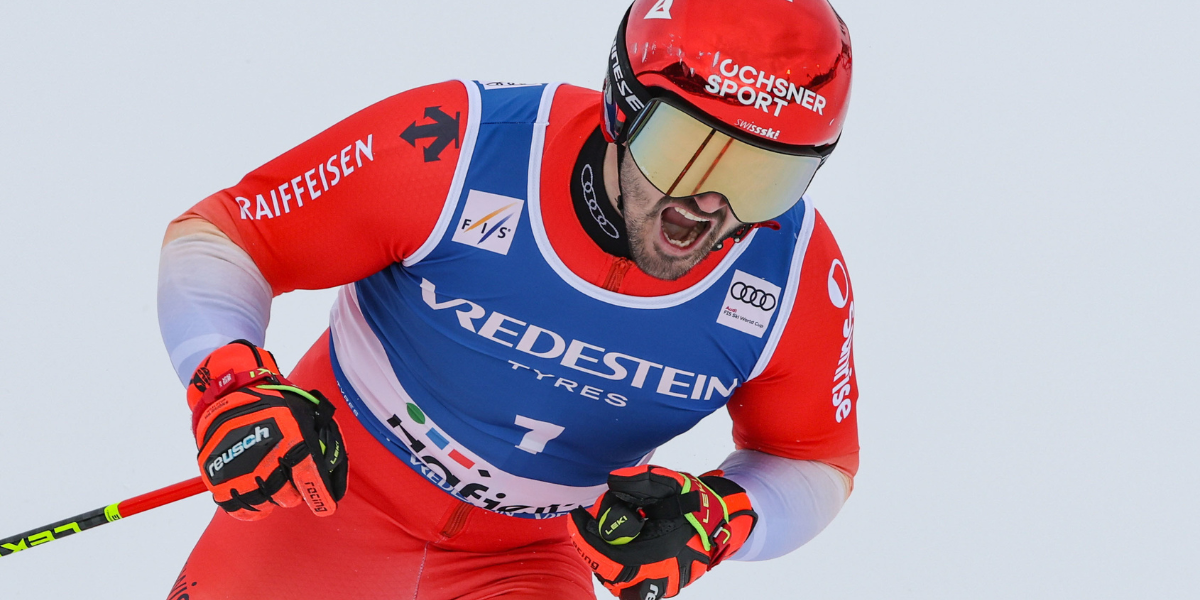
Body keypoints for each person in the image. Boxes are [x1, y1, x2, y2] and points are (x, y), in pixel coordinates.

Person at [158, 0, 858, 598]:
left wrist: (722, 518)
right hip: (324, 502)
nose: (710, 203)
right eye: (689, 152)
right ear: (623, 106)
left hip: (524, 563)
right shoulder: (460, 149)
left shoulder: (793, 276)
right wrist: (228, 384)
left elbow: (815, 458)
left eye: (765, 177)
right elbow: (229, 236)